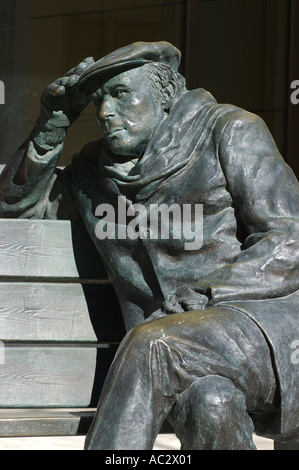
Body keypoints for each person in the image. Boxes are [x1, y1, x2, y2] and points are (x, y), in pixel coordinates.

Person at [0, 41, 299, 450]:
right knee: (208, 404)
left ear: (164, 96)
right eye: (97, 102)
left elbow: (289, 236)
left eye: (121, 93)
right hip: (175, 366)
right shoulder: (91, 174)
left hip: (256, 331)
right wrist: (52, 124)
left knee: (152, 342)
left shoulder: (228, 131)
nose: (105, 112)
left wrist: (210, 292)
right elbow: (13, 206)